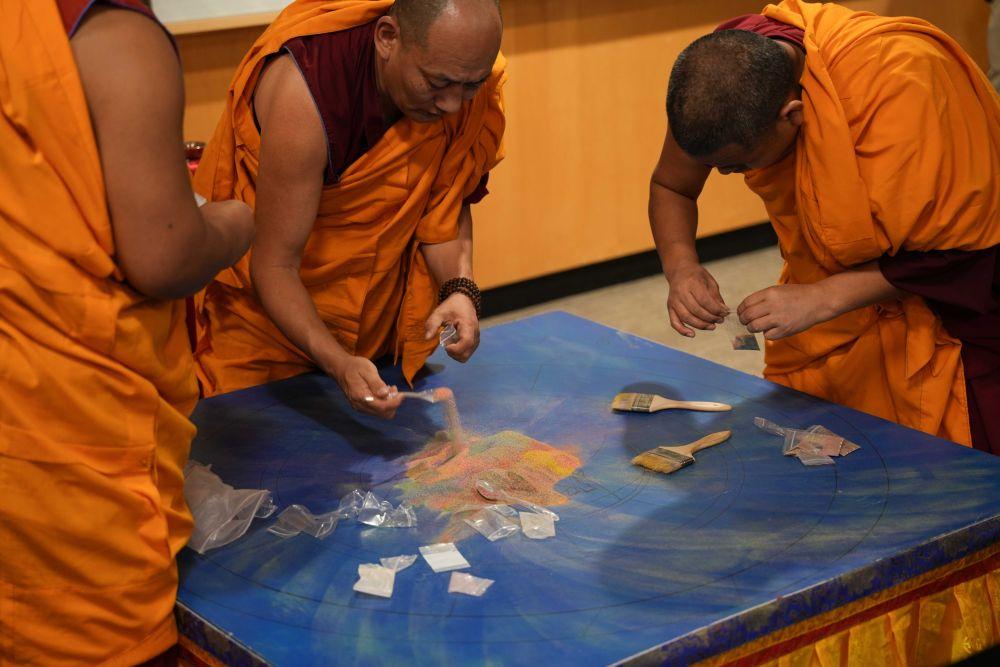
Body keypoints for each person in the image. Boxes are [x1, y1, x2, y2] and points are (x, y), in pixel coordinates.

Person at [0, 1, 254, 662]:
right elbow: (164, 255)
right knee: (89, 630)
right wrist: (231, 223)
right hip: (62, 413)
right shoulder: (116, 34)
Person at [649, 0, 1000, 453]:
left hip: (947, 303)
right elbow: (671, 185)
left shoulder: (902, 80)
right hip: (831, 302)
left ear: (792, 115)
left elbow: (968, 253)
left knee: (954, 472)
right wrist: (681, 267)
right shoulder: (712, 85)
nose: (725, 174)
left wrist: (826, 296)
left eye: (738, 164)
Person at [193, 0, 506, 419]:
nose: (452, 104)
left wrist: (459, 289)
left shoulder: (464, 67)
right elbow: (274, 266)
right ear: (387, 37)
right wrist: (338, 363)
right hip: (268, 337)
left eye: (469, 87)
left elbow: (445, 206)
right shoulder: (306, 92)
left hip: (373, 335)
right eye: (437, 84)